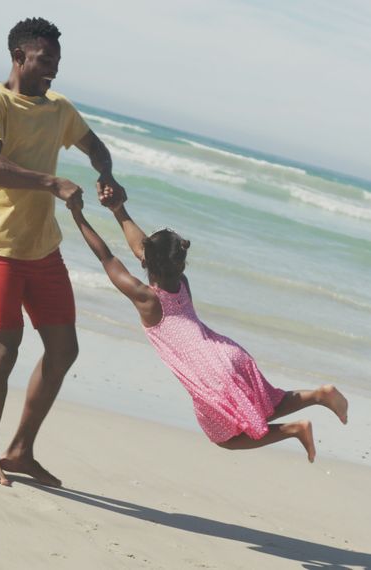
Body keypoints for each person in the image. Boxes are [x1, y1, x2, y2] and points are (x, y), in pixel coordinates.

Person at [0, 17, 126, 487]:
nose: (53, 69)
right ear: (19, 57)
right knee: (4, 350)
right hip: (0, 246)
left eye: (57, 62)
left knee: (63, 348)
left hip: (43, 247)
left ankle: (20, 450)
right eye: (44, 60)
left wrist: (106, 175)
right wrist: (50, 181)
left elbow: (96, 148)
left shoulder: (59, 108)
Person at [70, 191, 348, 460]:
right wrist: (119, 210)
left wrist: (78, 214)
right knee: (263, 406)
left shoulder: (147, 299)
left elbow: (107, 258)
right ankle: (319, 395)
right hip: (228, 352)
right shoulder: (181, 284)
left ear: (148, 260)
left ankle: (294, 429)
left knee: (224, 437)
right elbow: (145, 250)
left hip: (210, 372)